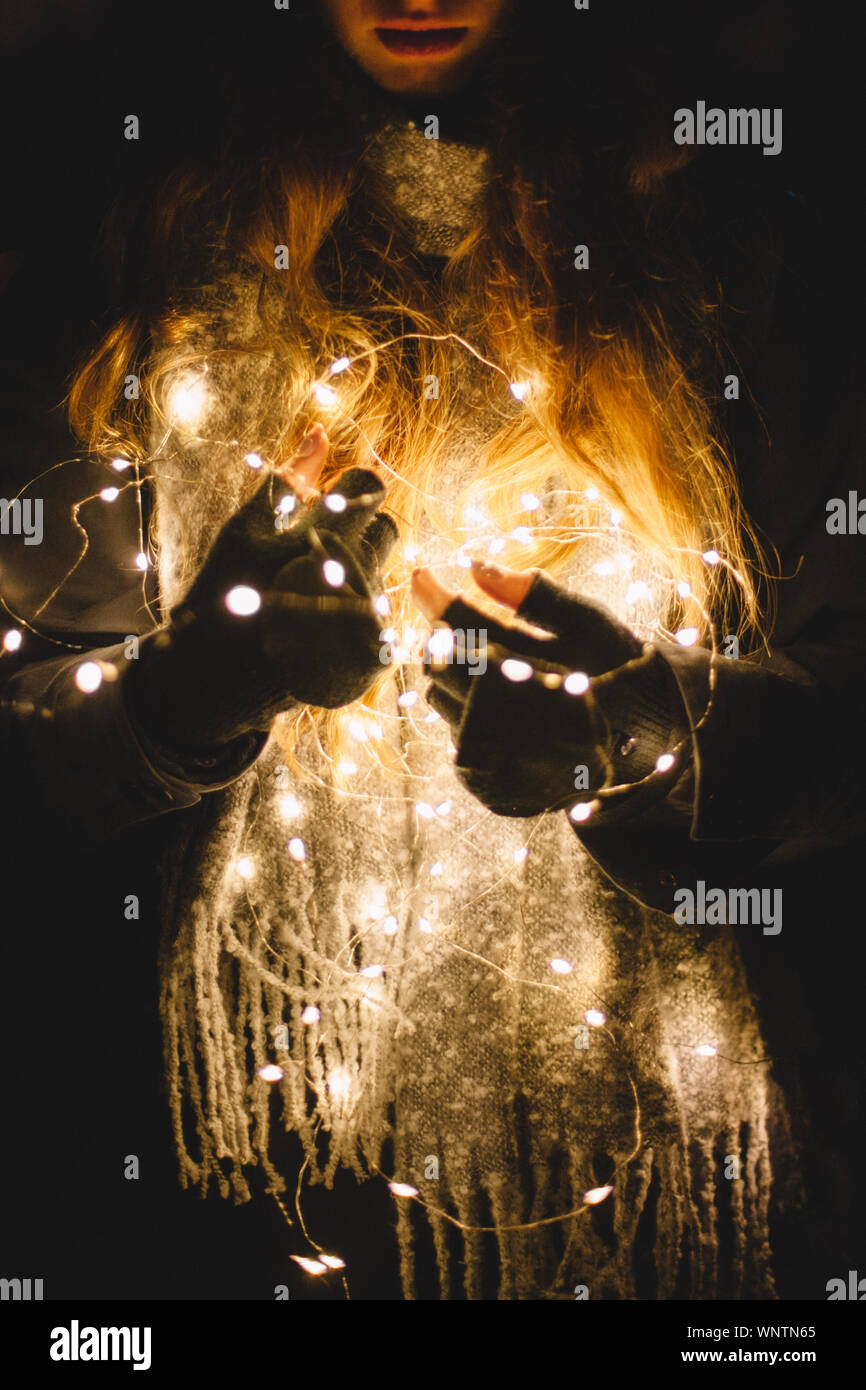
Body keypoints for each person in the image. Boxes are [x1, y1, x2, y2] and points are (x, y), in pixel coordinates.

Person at [1, 0, 863, 1300]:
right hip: (242, 1191)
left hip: (669, 1197)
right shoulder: (138, 252)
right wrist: (186, 690)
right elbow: (28, 753)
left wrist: (655, 740)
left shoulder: (736, 247)